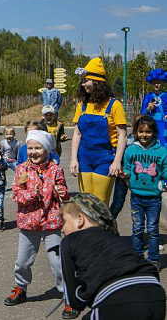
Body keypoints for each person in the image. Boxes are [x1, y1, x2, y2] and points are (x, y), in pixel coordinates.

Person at [5, 130, 77, 319]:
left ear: (47, 150)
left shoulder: (55, 169)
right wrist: (32, 194)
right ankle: (20, 288)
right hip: (28, 224)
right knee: (22, 261)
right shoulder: (21, 169)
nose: (33, 152)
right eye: (30, 148)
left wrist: (61, 192)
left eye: (38, 148)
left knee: (58, 262)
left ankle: (69, 296)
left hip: (51, 223)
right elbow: (16, 196)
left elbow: (65, 194)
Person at [61, 193, 165, 320]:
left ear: (80, 219)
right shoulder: (115, 239)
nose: (62, 229)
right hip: (155, 292)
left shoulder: (69, 241)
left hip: (115, 297)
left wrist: (81, 297)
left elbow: (73, 297)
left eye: (64, 221)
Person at [70, 57, 127, 206]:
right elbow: (77, 133)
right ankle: (89, 230)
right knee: (86, 202)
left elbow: (122, 135)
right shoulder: (82, 105)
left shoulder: (114, 105)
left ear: (97, 82)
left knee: (100, 203)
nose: (83, 85)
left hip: (106, 158)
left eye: (85, 81)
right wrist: (73, 159)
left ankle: (102, 230)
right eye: (82, 82)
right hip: (85, 158)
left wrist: (116, 161)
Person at [121, 115, 167, 270]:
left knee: (153, 229)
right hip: (136, 197)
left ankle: (154, 259)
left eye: (148, 131)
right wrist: (124, 175)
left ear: (154, 132)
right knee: (138, 227)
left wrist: (164, 183)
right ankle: (138, 258)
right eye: (141, 131)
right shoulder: (130, 150)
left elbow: (166, 172)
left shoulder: (162, 152)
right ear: (135, 132)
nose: (144, 135)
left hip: (154, 198)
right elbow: (127, 169)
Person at [141, 68, 167, 147]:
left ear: (163, 83)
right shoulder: (148, 96)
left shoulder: (166, 96)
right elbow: (142, 113)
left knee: (163, 145)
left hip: (164, 125)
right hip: (150, 125)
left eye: (159, 82)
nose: (156, 85)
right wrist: (148, 109)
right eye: (154, 82)